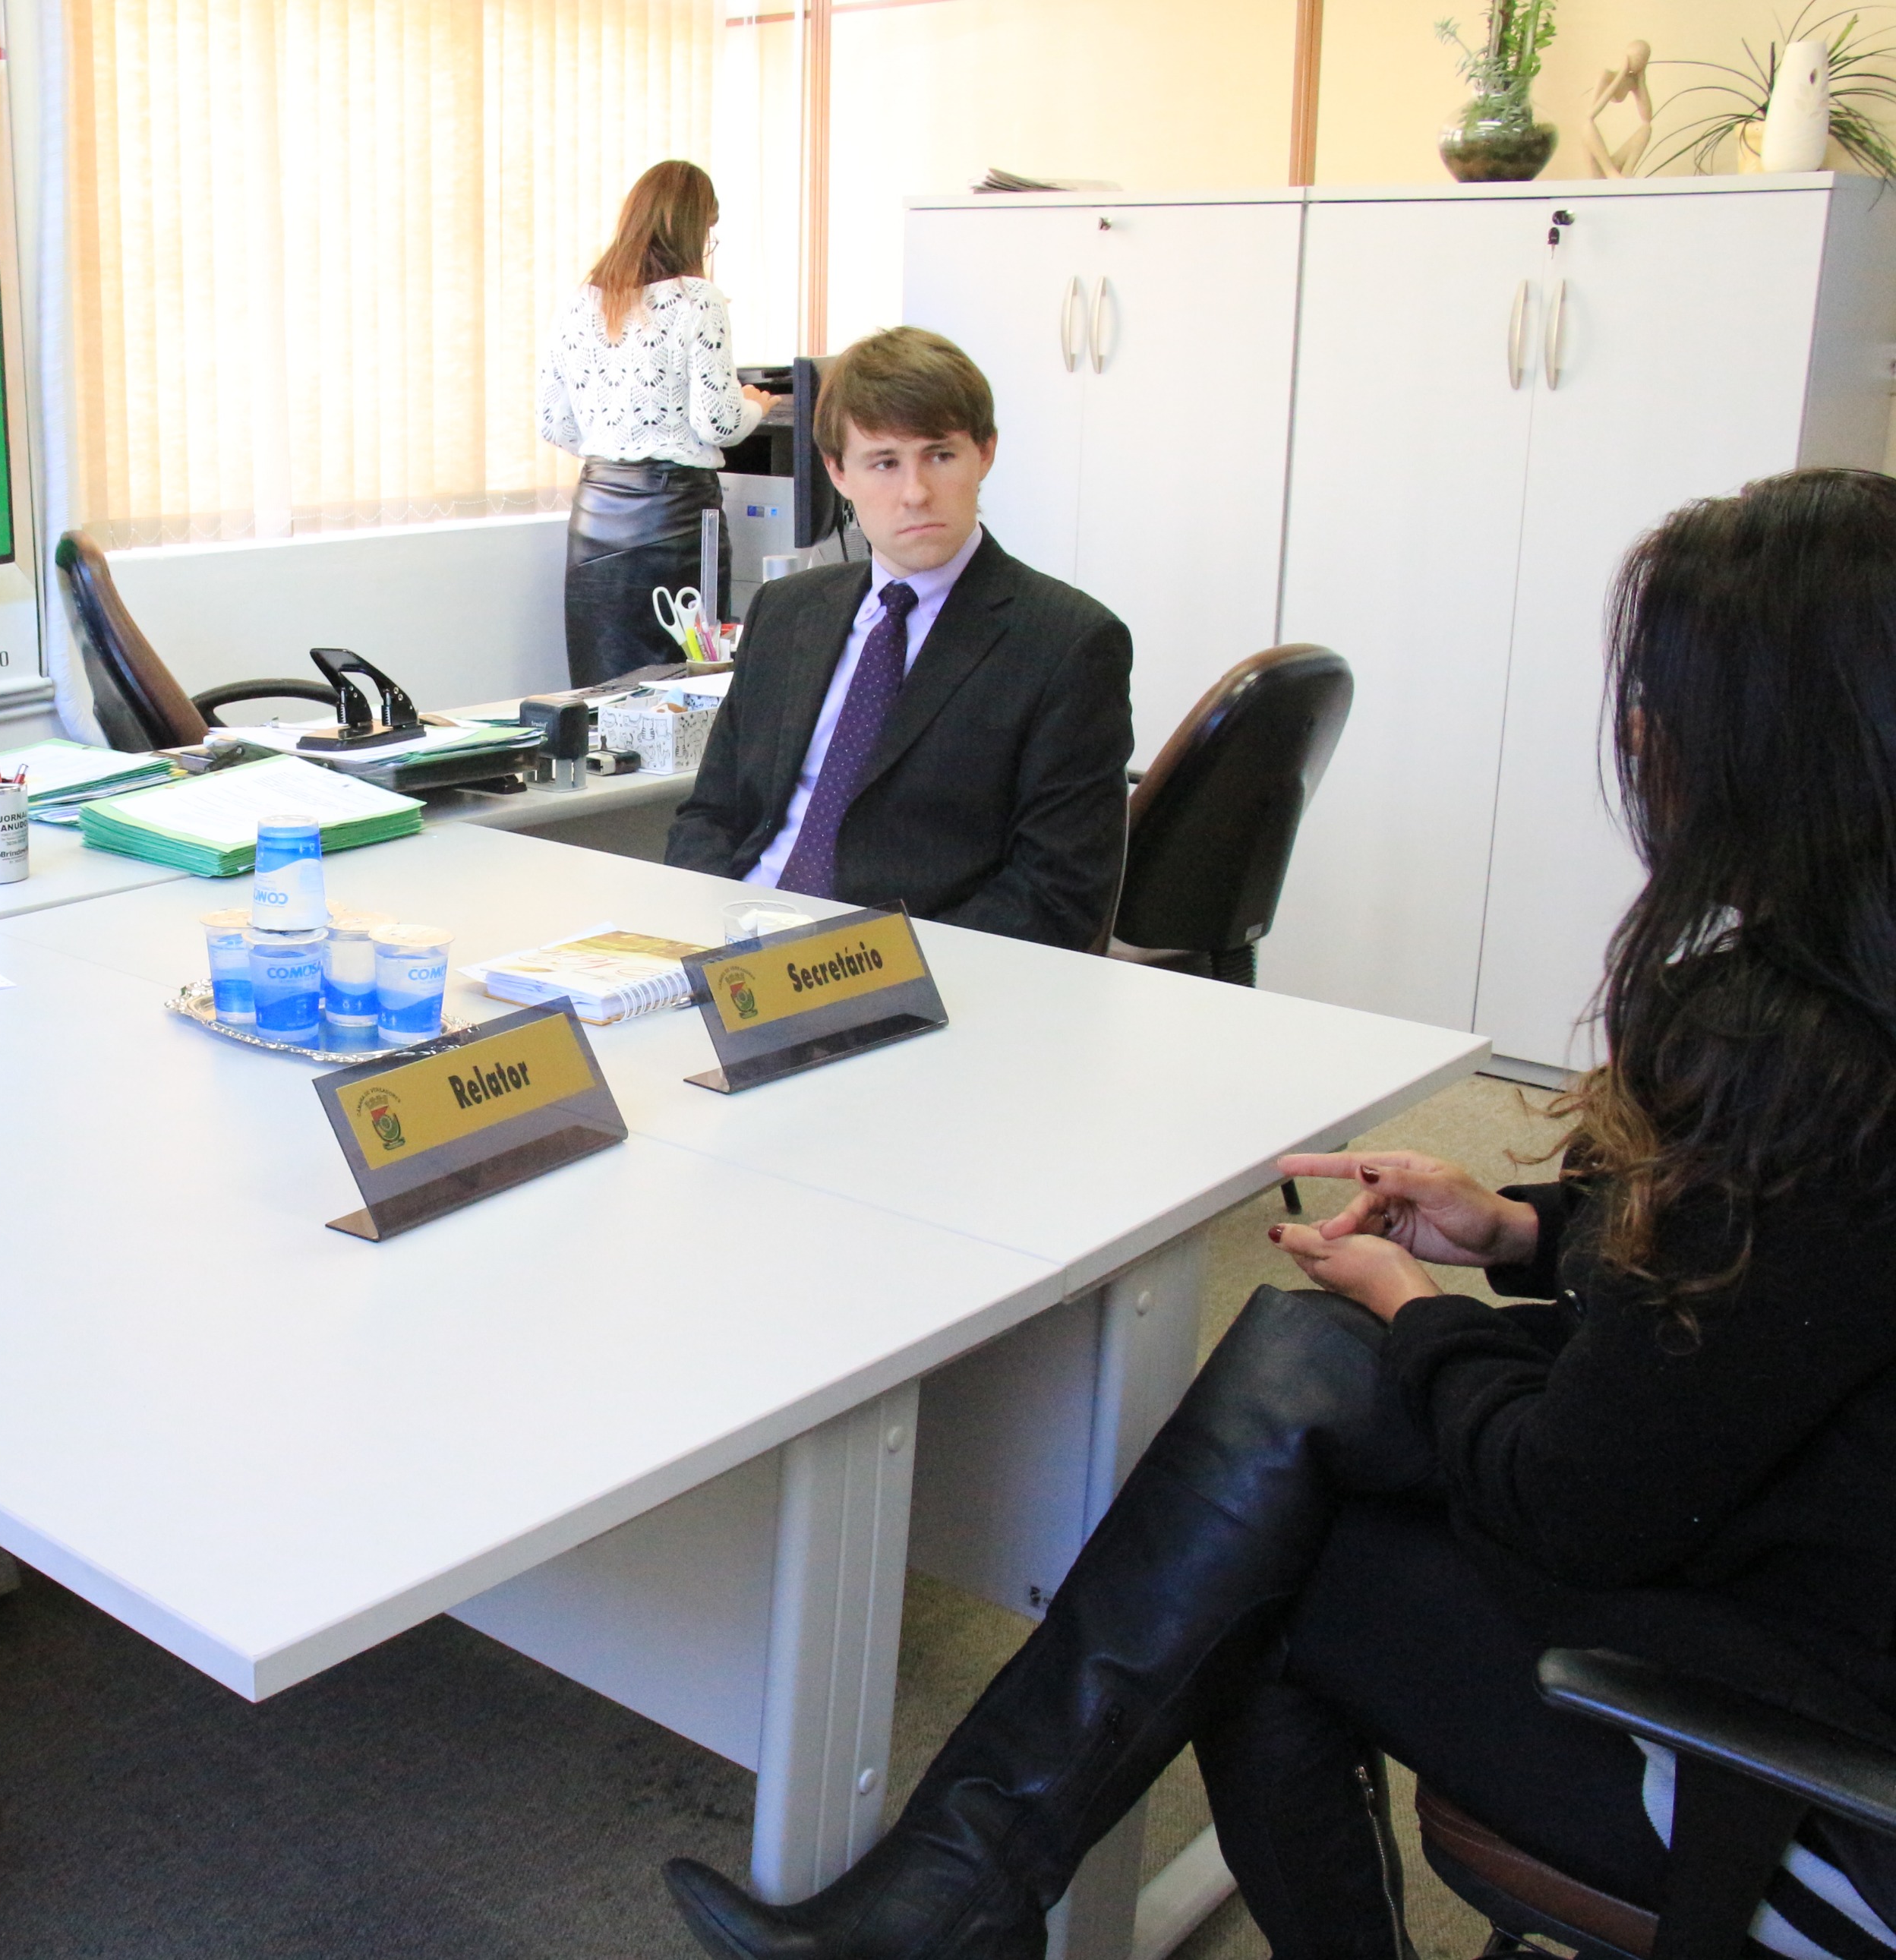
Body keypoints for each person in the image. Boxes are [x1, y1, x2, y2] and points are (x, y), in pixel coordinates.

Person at [664, 467, 1896, 1958]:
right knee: (1294, 1384)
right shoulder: (1848, 1007)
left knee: (1256, 1569)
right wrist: (1523, 1234)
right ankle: (948, 1892)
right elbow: (1781, 1298)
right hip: (1798, 1548)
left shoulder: (1794, 1052)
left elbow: (1572, 1498)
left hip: (1808, 1764)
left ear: (1772, 740)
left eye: (1659, 698)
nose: (1635, 734)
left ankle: (947, 1897)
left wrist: (1416, 1308)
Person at [664, 328, 1131, 952]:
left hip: (908, 968)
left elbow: (1056, 898)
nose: (915, 492)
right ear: (837, 471)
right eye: (884, 462)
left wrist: (862, 968)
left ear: (985, 453)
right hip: (737, 948)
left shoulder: (1067, 644)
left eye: (940, 456)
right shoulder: (785, 612)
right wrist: (703, 933)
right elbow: (711, 816)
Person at [538, 159, 774, 686]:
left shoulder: (581, 303)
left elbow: (553, 421)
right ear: (692, 228)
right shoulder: (697, 300)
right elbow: (718, 423)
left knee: (601, 690)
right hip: (676, 518)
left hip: (597, 513)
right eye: (708, 232)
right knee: (686, 687)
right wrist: (756, 404)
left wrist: (618, 444)